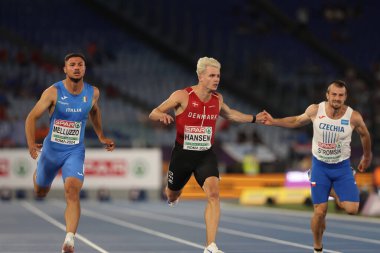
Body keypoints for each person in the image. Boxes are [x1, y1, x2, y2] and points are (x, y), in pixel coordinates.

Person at [149, 57, 265, 253]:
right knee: (171, 194)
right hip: (183, 155)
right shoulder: (182, 95)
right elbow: (154, 112)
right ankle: (173, 192)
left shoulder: (217, 99)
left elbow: (231, 115)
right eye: (211, 75)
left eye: (218, 75)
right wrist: (162, 115)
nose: (216, 79)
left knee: (213, 194)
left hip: (205, 155)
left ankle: (210, 245)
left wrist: (254, 118)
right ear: (200, 76)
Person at [261, 80, 372, 253]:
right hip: (320, 167)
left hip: (342, 168)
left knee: (351, 209)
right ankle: (317, 248)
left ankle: (331, 190)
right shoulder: (315, 110)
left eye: (340, 95)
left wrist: (367, 156)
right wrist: (274, 121)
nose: (337, 98)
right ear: (327, 95)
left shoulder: (353, 116)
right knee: (320, 212)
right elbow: (297, 121)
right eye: (333, 94)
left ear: (345, 97)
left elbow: (365, 135)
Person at [25, 53, 115, 253]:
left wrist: (101, 135)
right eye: (72, 65)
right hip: (51, 151)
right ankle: (39, 173)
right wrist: (31, 144)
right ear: (65, 69)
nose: (76, 68)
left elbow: (94, 111)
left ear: (84, 69)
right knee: (40, 192)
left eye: (80, 65)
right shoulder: (53, 92)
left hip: (74, 151)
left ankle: (69, 239)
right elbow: (31, 117)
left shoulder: (93, 93)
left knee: (72, 191)